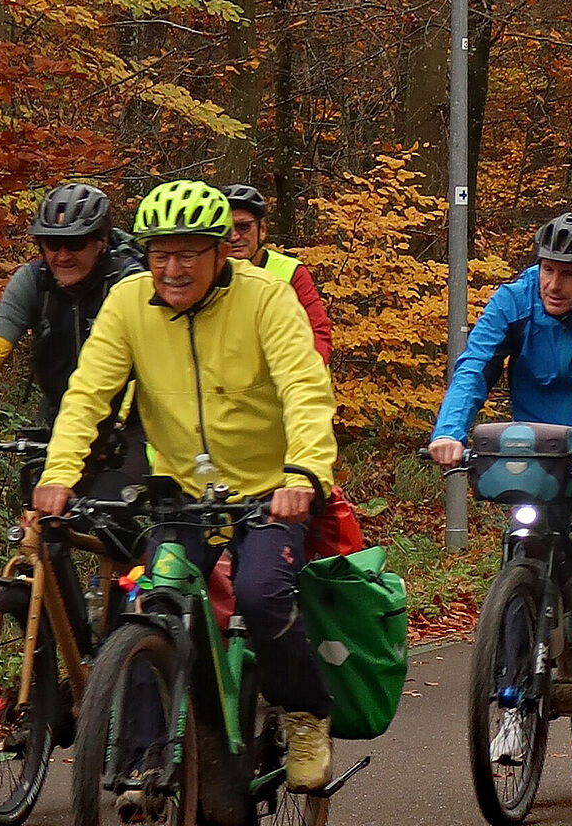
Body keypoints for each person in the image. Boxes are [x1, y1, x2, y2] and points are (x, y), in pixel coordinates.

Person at [32, 180, 341, 791]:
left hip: (267, 491)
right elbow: (88, 394)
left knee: (261, 596)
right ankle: (143, 759)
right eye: (159, 254)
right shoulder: (127, 303)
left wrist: (303, 474)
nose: (172, 270)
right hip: (181, 492)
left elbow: (306, 391)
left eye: (188, 254)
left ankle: (305, 714)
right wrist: (59, 473)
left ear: (221, 252)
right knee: (154, 600)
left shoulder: (266, 299)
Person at [430, 213, 572, 650]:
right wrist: (449, 432)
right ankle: (512, 673)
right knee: (529, 530)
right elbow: (475, 366)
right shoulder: (513, 301)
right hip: (539, 436)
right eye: (548, 269)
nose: (553, 284)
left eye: (568, 275)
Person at [0, 184, 143, 477]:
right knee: (40, 499)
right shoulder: (33, 282)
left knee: (116, 494)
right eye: (52, 243)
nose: (62, 256)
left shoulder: (130, 283)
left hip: (132, 423)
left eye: (76, 243)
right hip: (62, 418)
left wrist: (116, 424)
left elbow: (142, 363)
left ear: (101, 241)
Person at [224, 184, 334, 361]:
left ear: (262, 230)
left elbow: (318, 332)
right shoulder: (210, 275)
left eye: (243, 227)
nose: (234, 236)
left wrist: (306, 373)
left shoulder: (291, 272)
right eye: (226, 229)